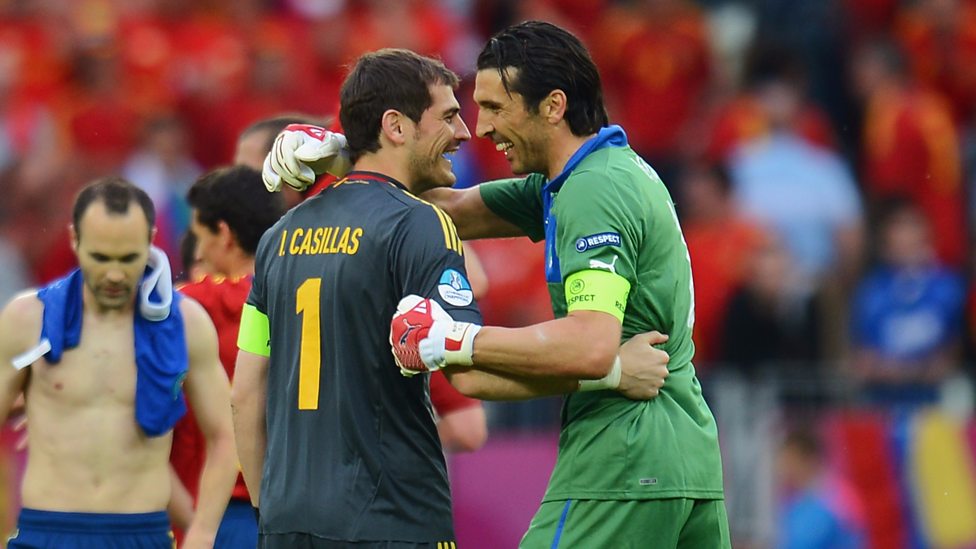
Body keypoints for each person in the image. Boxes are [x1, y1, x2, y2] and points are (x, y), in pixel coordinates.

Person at [265, 22, 728, 547]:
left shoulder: (593, 191)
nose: (480, 128)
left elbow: (591, 345)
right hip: (686, 455)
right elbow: (444, 207)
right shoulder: (584, 179)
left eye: (494, 108)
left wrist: (456, 338)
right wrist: (349, 157)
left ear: (552, 106)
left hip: (623, 457)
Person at [0, 177, 237, 548]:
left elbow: (225, 434)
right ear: (75, 240)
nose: (114, 274)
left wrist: (203, 532)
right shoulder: (26, 320)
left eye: (128, 259)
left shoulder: (186, 325)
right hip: (46, 531)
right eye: (100, 258)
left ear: (150, 241)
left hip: (140, 532)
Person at [236, 113, 489, 453]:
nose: (238, 184)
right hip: (370, 473)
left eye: (247, 171)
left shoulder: (289, 245)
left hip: (308, 476)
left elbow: (243, 396)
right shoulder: (282, 250)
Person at [169, 166, 287, 547]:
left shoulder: (189, 306)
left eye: (200, 236)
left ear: (223, 233)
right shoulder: (301, 294)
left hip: (214, 514)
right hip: (292, 510)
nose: (198, 251)